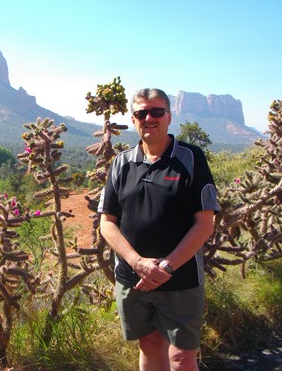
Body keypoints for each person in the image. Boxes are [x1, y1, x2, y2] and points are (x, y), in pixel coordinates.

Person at [98, 88, 219, 371]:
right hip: (132, 279)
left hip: (181, 279)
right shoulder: (121, 164)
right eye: (141, 113)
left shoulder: (191, 159)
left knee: (182, 357)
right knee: (149, 345)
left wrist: (164, 268)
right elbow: (107, 223)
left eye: (156, 112)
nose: (149, 118)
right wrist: (139, 264)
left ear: (169, 116)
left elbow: (205, 223)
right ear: (133, 119)